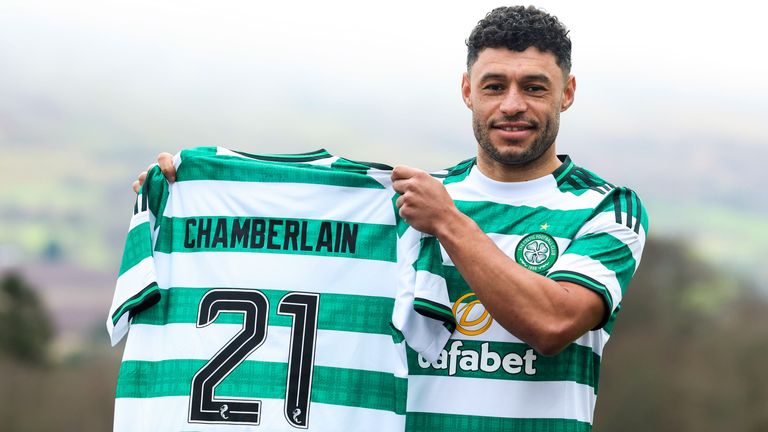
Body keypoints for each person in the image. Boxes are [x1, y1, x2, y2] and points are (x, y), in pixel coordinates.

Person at [133, 6, 647, 431]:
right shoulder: (403, 204)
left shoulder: (606, 208)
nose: (512, 105)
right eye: (494, 86)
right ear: (467, 91)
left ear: (567, 92)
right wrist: (192, 193)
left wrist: (449, 223)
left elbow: (553, 323)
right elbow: (293, 245)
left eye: (534, 87)